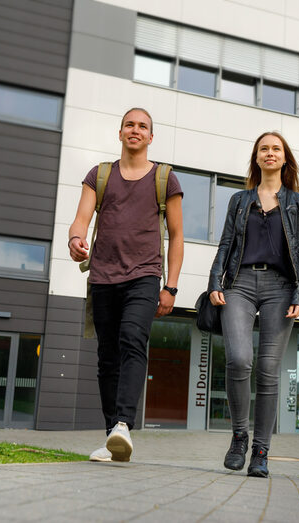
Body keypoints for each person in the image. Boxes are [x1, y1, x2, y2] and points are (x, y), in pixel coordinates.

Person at [68, 108, 184, 462]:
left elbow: (178, 236)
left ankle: (122, 425)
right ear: (120, 133)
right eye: (129, 125)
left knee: (133, 339)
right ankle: (111, 439)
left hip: (145, 276)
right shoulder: (100, 175)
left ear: (151, 137)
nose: (135, 130)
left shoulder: (165, 178)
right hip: (103, 276)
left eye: (143, 126)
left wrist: (171, 287)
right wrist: (75, 240)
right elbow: (81, 220)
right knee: (107, 357)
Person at [207, 131, 299, 478]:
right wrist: (213, 282)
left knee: (267, 370)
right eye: (263, 148)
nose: (269, 153)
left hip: (280, 287)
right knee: (238, 359)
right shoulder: (239, 199)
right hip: (240, 283)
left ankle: (261, 451)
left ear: (284, 157)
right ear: (256, 157)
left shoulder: (297, 203)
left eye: (276, 148)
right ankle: (239, 436)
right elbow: (225, 244)